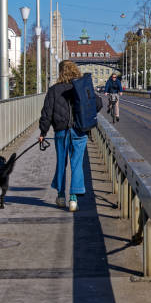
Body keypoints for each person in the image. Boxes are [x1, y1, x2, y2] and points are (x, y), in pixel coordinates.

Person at [39, 61, 101, 212]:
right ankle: (73, 199)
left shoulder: (54, 90)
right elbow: (97, 104)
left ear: (61, 72)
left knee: (61, 162)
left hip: (61, 131)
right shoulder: (82, 87)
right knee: (77, 164)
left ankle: (61, 196)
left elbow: (47, 113)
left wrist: (43, 132)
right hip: (79, 131)